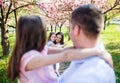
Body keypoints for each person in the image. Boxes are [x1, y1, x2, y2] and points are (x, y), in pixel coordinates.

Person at [7, 15, 112, 83]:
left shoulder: (40, 49)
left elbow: (64, 50)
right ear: (39, 34)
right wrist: (98, 52)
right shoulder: (28, 59)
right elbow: (65, 56)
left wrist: (85, 46)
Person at [59, 4, 116, 83]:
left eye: (69, 28)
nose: (69, 33)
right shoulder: (83, 55)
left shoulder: (87, 77)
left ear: (76, 30)